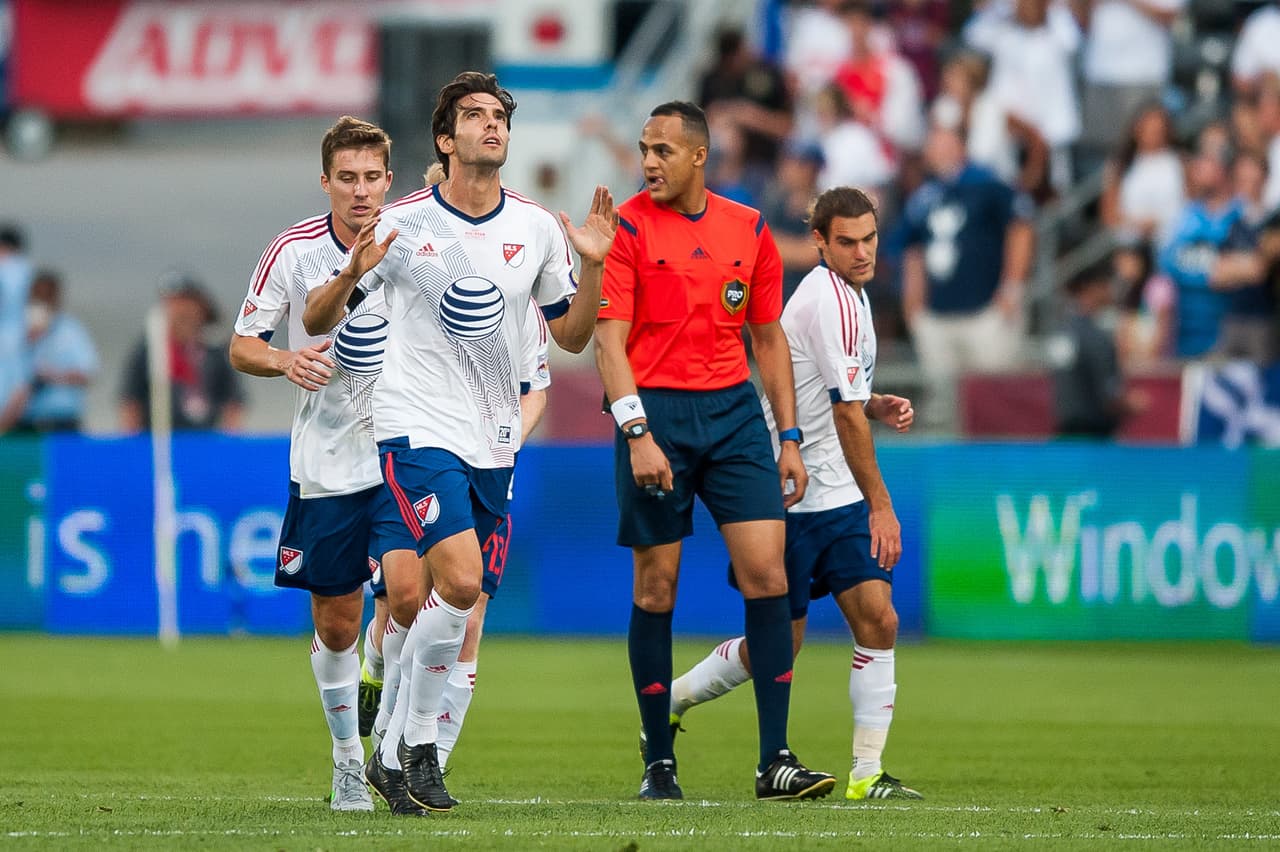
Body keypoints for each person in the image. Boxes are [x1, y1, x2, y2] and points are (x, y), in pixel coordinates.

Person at [301, 71, 616, 814]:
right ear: (446, 139)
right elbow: (316, 319)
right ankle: (413, 745)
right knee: (463, 582)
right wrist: (350, 273)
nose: (491, 124)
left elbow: (573, 338)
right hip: (414, 425)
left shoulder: (536, 228)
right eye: (474, 115)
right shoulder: (400, 223)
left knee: (452, 595)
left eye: (499, 115)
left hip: (492, 437)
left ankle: (391, 752)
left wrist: (595, 263)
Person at [594, 99, 836, 802]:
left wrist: (789, 437)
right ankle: (658, 760)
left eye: (663, 150)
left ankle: (775, 760)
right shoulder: (627, 226)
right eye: (645, 149)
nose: (649, 162)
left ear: (700, 156)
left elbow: (768, 338)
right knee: (656, 587)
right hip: (655, 414)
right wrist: (637, 433)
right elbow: (609, 341)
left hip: (733, 414)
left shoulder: (748, 227)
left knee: (769, 576)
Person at [663, 186, 921, 801]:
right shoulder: (827, 299)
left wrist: (872, 402)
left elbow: (840, 395)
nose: (862, 252)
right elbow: (843, 415)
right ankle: (672, 699)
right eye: (847, 242)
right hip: (793, 495)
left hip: (838, 495)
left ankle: (866, 773)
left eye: (870, 239)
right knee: (779, 647)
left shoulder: (853, 296)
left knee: (879, 619)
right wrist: (882, 505)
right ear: (820, 243)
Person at [227, 115, 401, 813]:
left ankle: (399, 742)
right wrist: (283, 359)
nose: (360, 191)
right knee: (336, 623)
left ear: (388, 180)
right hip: (330, 457)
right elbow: (243, 345)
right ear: (325, 181)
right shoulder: (294, 250)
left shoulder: (420, 239)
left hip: (410, 447)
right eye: (347, 178)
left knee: (413, 595)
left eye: (372, 177)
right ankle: (347, 758)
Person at [900, 122, 1035, 431]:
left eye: (946, 143)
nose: (939, 151)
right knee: (943, 407)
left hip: (985, 310)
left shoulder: (987, 183)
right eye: (934, 145)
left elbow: (1021, 228)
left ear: (961, 146)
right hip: (937, 314)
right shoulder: (924, 196)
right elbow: (912, 248)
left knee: (996, 399)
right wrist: (913, 302)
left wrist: (1012, 288)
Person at [120, 274, 244, 432]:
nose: (181, 310)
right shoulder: (149, 350)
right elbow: (131, 402)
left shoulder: (215, 351)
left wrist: (228, 440)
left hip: (207, 438)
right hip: (160, 438)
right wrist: (134, 440)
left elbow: (233, 402)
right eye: (174, 303)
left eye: (187, 302)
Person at [1049, 265, 1139, 437]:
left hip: (1065, 435)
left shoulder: (1060, 331)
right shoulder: (1096, 338)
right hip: (1095, 439)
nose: (1110, 290)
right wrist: (1133, 404)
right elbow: (1110, 398)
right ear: (1092, 288)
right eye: (1106, 284)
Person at [18, 269, 99, 433]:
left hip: (63, 421)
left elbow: (88, 373)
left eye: (47, 296)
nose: (43, 302)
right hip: (24, 421)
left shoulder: (71, 330)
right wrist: (28, 341)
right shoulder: (17, 330)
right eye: (38, 296)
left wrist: (54, 377)